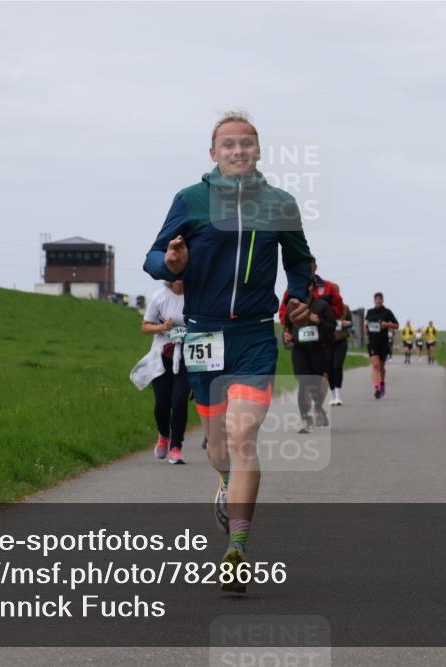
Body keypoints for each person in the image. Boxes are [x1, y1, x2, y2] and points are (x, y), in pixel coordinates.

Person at [143, 111, 314, 593]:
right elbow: (153, 257)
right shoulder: (191, 200)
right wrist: (171, 262)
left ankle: (236, 547)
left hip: (255, 336)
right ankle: (225, 481)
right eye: (228, 144)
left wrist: (298, 297)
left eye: (247, 143)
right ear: (213, 153)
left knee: (243, 438)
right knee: (219, 448)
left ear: (258, 151)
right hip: (203, 335)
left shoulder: (280, 204)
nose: (238, 151)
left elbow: (300, 262)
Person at [278, 261, 345, 406]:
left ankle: (318, 403)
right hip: (301, 345)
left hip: (321, 343)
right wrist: (288, 331)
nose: (309, 269)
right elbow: (285, 316)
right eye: (306, 266)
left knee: (321, 378)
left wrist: (321, 318)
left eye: (311, 266)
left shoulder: (327, 290)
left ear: (315, 267)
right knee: (304, 380)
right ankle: (308, 410)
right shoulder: (292, 293)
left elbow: (337, 312)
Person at [140, 280, 188, 463]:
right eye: (176, 275)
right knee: (162, 403)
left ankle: (176, 447)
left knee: (180, 401)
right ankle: (163, 435)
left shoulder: (195, 295)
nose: (180, 279)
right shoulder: (159, 296)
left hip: (186, 357)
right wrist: (162, 327)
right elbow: (145, 326)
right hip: (162, 357)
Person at [283, 277, 336, 432]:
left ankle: (318, 408)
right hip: (299, 350)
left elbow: (332, 328)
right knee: (304, 383)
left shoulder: (322, 306)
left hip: (317, 349)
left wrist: (319, 321)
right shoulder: (292, 306)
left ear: (312, 287)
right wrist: (287, 336)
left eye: (306, 286)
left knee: (315, 385)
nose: (302, 290)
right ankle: (305, 419)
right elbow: (287, 327)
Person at [365, 292, 398, 399]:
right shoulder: (369, 312)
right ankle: (377, 389)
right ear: (374, 301)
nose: (378, 301)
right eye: (376, 299)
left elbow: (396, 325)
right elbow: (366, 324)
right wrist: (365, 326)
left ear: (383, 300)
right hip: (372, 342)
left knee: (381, 367)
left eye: (380, 299)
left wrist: (387, 324)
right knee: (375, 365)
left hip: (383, 343)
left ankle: (382, 383)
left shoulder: (387, 312)